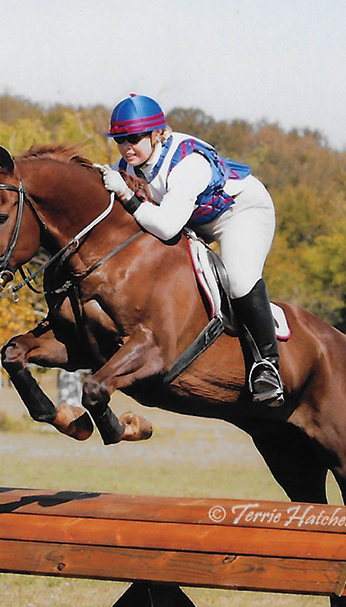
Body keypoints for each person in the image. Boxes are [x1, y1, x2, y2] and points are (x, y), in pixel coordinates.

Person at [98, 93, 285, 406]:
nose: (126, 147)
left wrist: (128, 198)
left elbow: (167, 226)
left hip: (239, 213)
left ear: (157, 134)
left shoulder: (188, 163)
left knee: (238, 279)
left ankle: (267, 366)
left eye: (133, 138)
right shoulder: (129, 165)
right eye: (120, 140)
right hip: (195, 220)